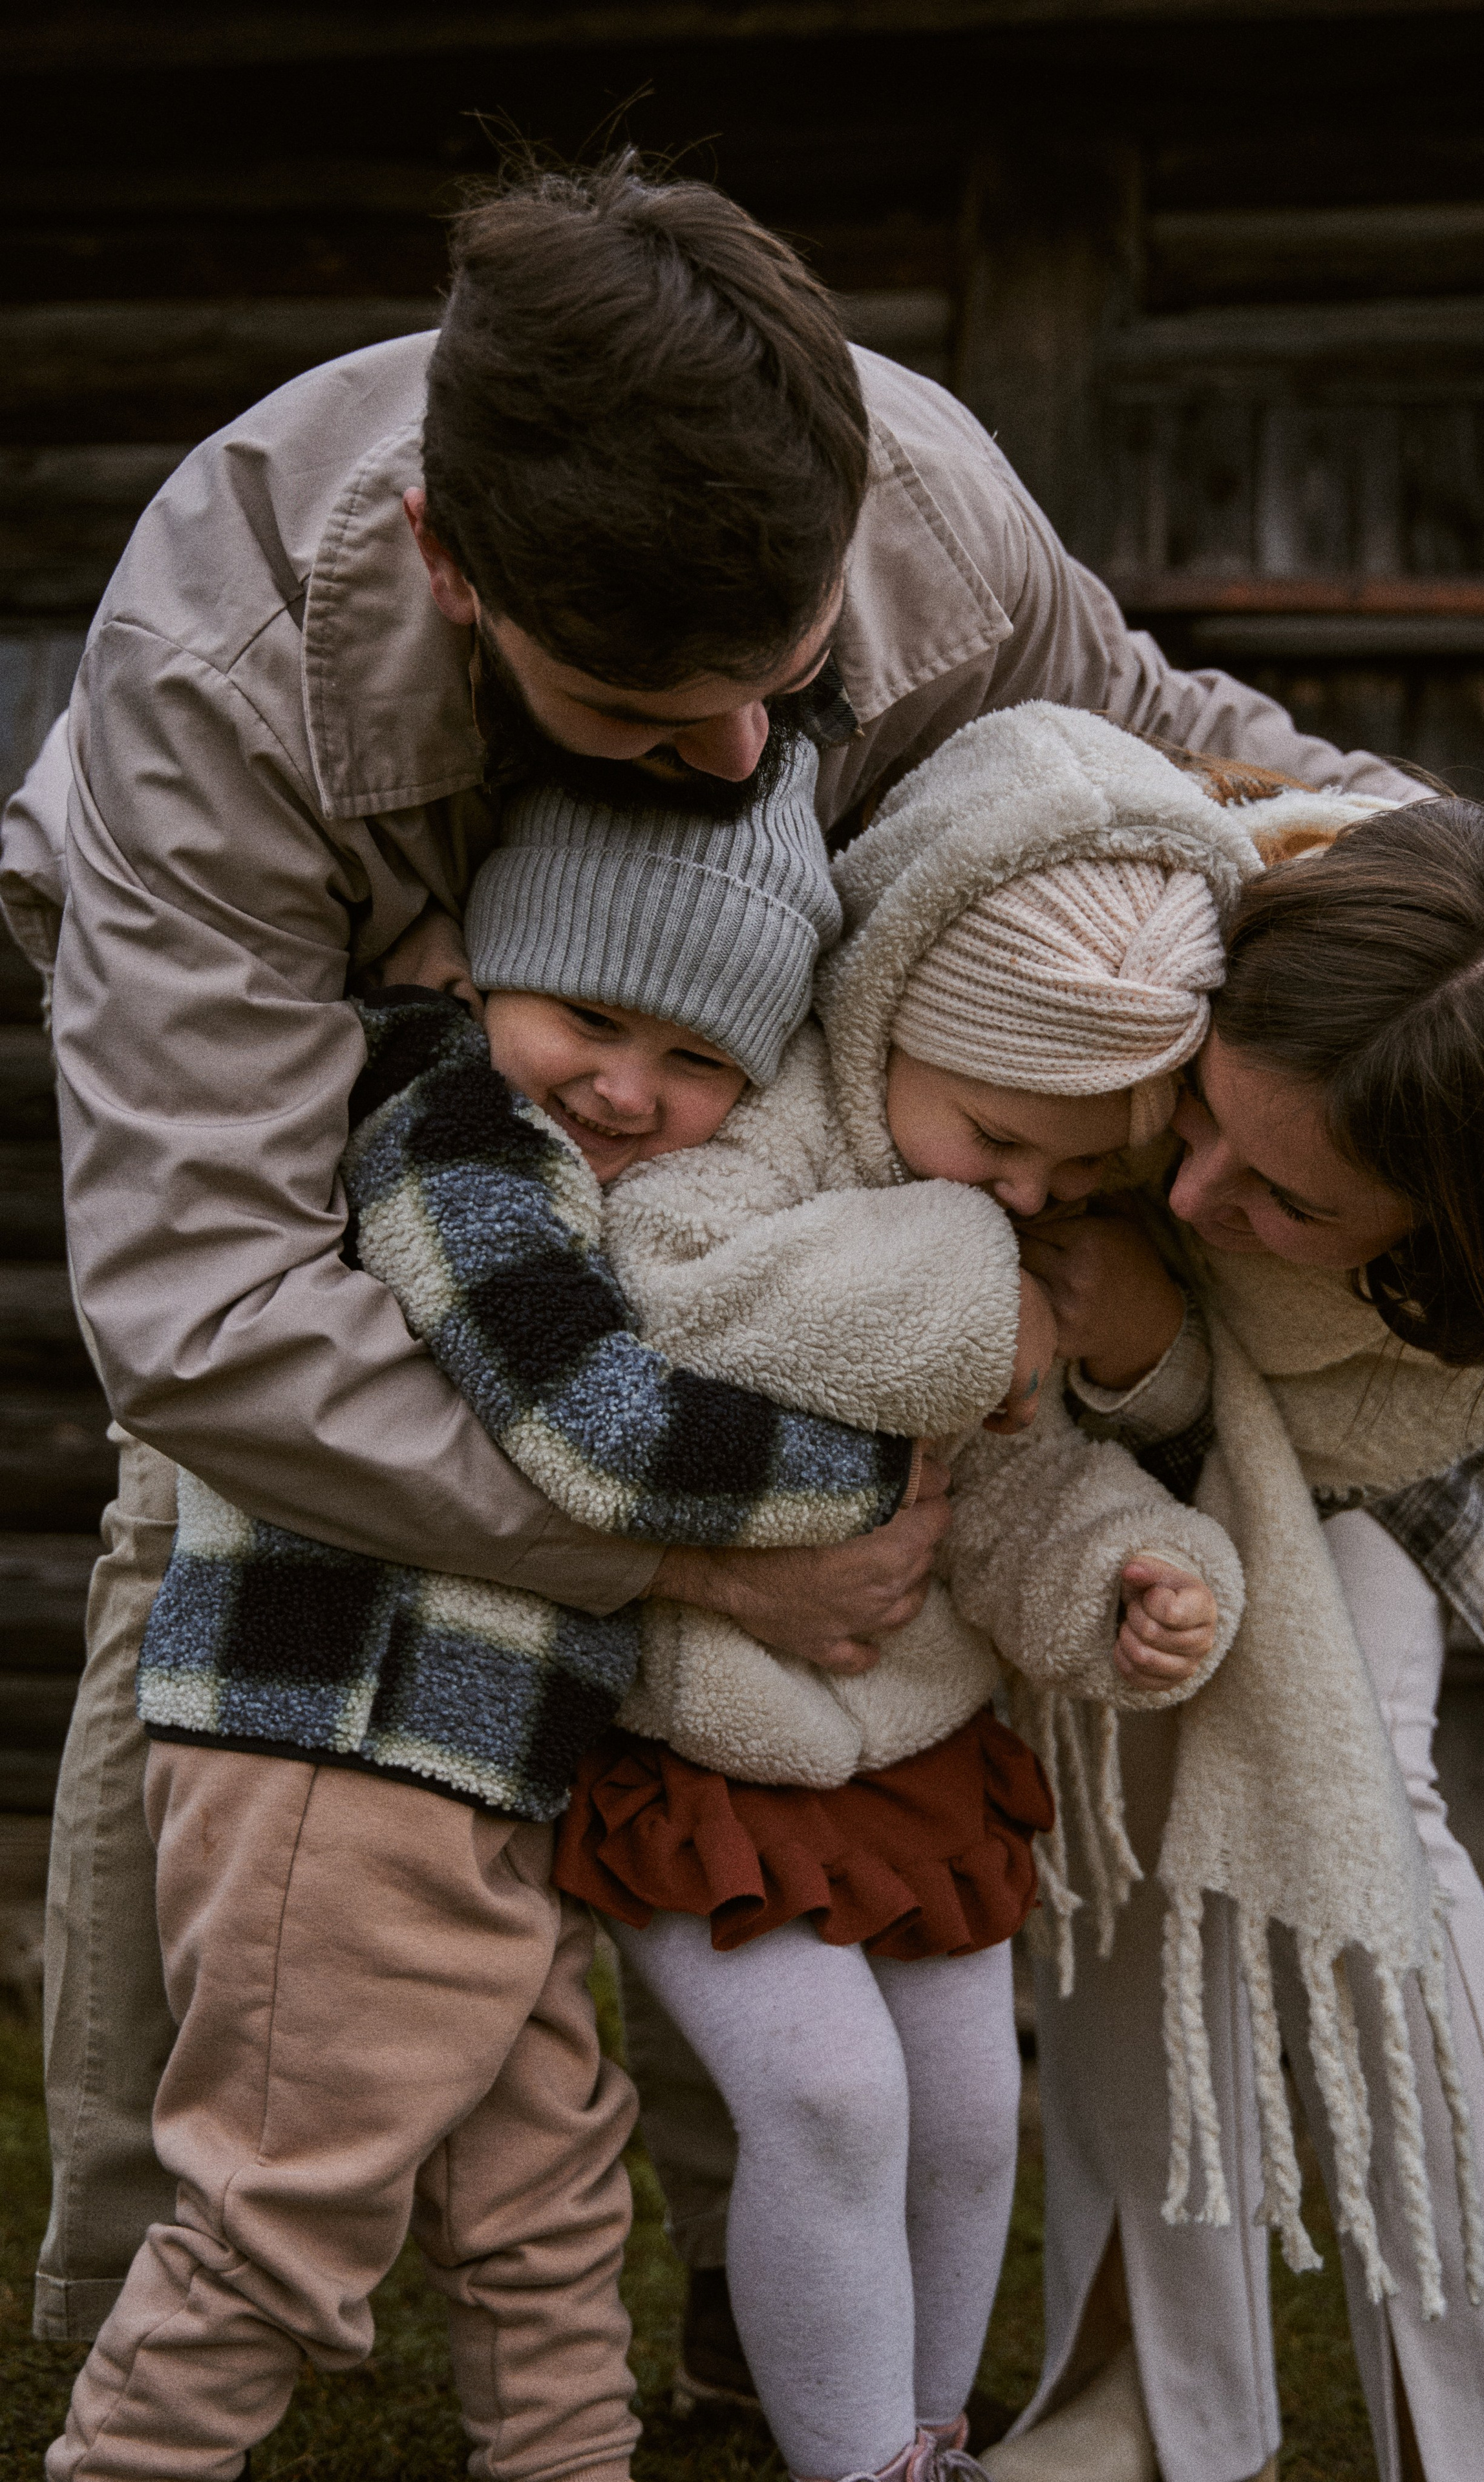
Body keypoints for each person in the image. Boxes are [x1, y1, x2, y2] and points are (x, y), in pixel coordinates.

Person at [0, 151, 1423, 2355]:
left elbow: (1174, 750)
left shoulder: (924, 503)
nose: (749, 758)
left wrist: (1482, 914)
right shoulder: (226, 670)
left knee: (753, 1783)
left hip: (733, 1121)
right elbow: (208, 1321)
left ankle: (762, 2347)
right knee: (221, 1581)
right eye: (655, 724)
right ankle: (156, 2305)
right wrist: (686, 1550)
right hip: (301, 1137)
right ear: (454, 574)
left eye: (786, 686)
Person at [47, 735, 943, 2481]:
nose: (625, 1087)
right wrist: (887, 1470)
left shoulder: (582, 1168)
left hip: (474, 1765)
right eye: (589, 1021)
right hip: (336, 1753)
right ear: (487, 966)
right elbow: (594, 1430)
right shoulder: (452, 1124)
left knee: (545, 2192)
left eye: (696, 1063)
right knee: (284, 2215)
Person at [544, 704, 1266, 2482]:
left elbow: (1014, 1487)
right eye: (998, 1140)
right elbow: (665, 1296)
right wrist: (970, 1274)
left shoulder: (1015, 1204)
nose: (1029, 1196)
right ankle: (854, 2460)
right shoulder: (752, 1131)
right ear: (889, 1023)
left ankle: (921, 2438)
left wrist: (1129, 1576)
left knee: (962, 2112)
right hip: (707, 1737)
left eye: (1073, 1174)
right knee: (829, 2100)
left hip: (914, 1750)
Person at [986, 797, 1484, 2482]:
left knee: (1364, 1841)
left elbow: (1307, 1448)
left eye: (1286, 1199)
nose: (1198, 1189)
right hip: (1086, 1454)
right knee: (1125, 1829)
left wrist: (1159, 1353)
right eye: (1201, 1119)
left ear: (1428, 1232)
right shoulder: (1229, 899)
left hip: (1374, 1476)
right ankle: (1145, 2385)